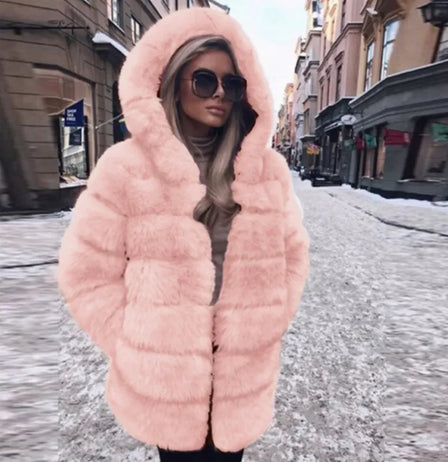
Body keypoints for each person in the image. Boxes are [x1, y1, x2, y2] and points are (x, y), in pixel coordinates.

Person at [56, 8, 310, 462]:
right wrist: (139, 345)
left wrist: (265, 323)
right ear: (174, 82)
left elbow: (293, 257)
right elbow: (85, 275)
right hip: (167, 381)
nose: (220, 94)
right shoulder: (126, 167)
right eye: (204, 80)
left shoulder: (266, 170)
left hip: (240, 377)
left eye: (233, 84)